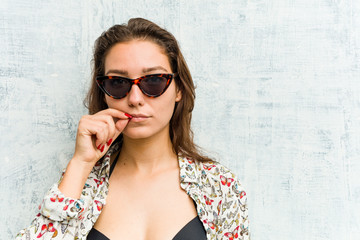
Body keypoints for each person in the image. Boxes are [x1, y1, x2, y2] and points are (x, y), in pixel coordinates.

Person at [16, 18, 249, 240]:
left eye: (153, 80)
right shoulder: (82, 183)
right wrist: (80, 164)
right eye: (118, 83)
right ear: (104, 93)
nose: (135, 98)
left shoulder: (218, 185)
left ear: (179, 89)